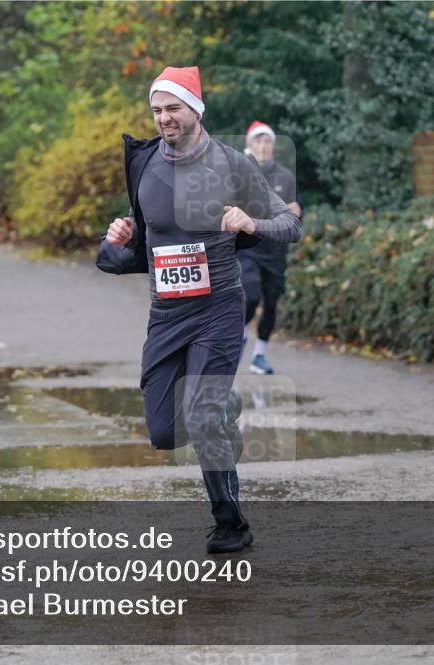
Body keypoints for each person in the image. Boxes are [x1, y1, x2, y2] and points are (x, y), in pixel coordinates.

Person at [96, 66, 301, 553]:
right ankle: (227, 407)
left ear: (196, 110)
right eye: (157, 110)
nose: (164, 118)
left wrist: (251, 221)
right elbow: (143, 243)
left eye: (174, 108)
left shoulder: (232, 165)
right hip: (167, 314)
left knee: (202, 414)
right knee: (166, 431)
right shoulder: (144, 163)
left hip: (218, 310)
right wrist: (117, 241)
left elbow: (289, 226)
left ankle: (231, 523)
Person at [237, 121, 302, 375]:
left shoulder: (286, 176)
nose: (263, 147)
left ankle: (259, 355)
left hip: (275, 250)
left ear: (273, 146)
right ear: (250, 145)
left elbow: (296, 209)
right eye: (258, 141)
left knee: (272, 303)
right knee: (250, 295)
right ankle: (240, 332)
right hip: (249, 248)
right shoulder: (242, 174)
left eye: (267, 142)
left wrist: (297, 211)